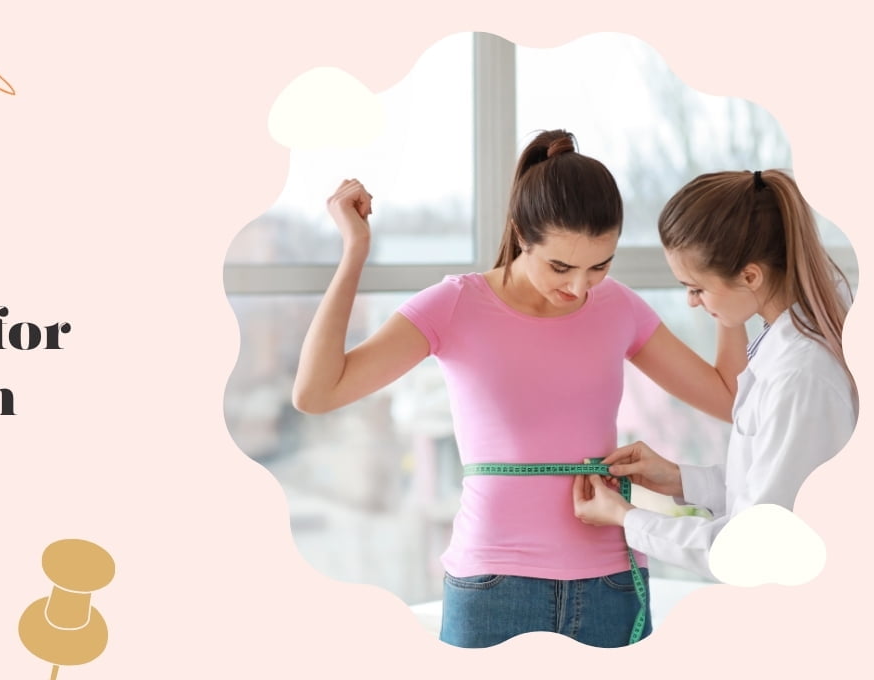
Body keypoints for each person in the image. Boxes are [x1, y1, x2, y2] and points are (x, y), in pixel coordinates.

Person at [292, 129, 748, 648]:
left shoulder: (618, 307)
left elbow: (730, 398)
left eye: (599, 266)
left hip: (611, 583)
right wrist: (355, 251)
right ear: (520, 234)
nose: (578, 288)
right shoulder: (455, 306)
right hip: (492, 586)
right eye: (560, 266)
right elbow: (317, 392)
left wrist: (724, 285)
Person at [571, 169, 857, 580]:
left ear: (750, 276)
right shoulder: (787, 346)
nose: (690, 302)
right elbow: (774, 490)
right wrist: (678, 479)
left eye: (697, 288)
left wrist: (627, 519)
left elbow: (756, 544)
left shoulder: (801, 376)